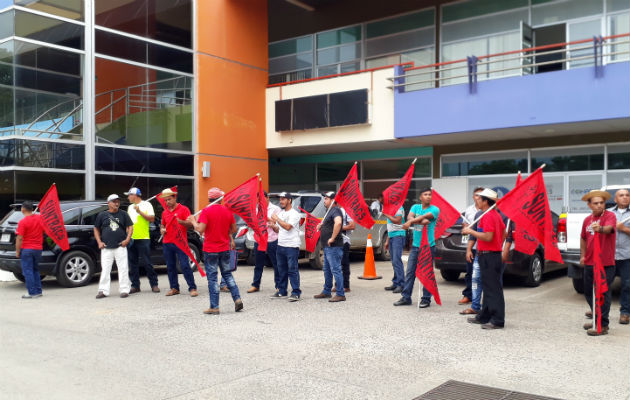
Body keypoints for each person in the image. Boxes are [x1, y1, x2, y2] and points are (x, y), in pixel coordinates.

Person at [189, 187, 242, 315]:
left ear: (209, 199)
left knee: (212, 278)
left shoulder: (206, 211)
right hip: (224, 248)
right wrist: (223, 232)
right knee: (227, 275)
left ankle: (215, 306)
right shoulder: (227, 211)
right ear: (220, 199)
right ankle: (237, 299)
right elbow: (234, 229)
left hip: (210, 249)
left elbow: (200, 229)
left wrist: (193, 221)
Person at [462, 188, 506, 329]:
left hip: (489, 255)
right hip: (488, 254)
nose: (477, 201)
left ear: (486, 201)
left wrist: (470, 231)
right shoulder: (494, 214)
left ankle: (498, 320)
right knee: (488, 289)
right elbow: (504, 233)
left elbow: (488, 236)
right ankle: (484, 316)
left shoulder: (488, 216)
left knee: (493, 290)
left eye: (479, 199)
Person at [394, 188, 440, 308]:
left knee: (426, 273)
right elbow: (410, 217)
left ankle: (426, 299)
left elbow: (425, 217)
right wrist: (417, 221)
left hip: (428, 246)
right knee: (410, 272)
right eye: (425, 194)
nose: (428, 196)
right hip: (415, 246)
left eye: (430, 195)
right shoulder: (415, 207)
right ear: (420, 197)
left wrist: (411, 222)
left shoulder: (435, 209)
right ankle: (406, 297)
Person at [580, 189, 617, 336]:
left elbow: (609, 229)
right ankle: (596, 318)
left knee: (602, 293)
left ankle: (603, 325)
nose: (599, 206)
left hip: (605, 263)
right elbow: (583, 238)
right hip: (589, 262)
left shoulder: (610, 216)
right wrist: (583, 255)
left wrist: (600, 228)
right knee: (589, 292)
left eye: (602, 203)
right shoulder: (587, 220)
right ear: (589, 205)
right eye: (595, 203)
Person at [159, 188, 198, 297]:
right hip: (167, 242)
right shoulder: (165, 212)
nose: (167, 202)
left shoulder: (184, 209)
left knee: (185, 265)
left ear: (175, 198)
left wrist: (180, 222)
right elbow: (163, 225)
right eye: (165, 200)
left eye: (169, 199)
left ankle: (192, 288)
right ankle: (174, 288)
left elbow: (191, 225)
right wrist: (162, 229)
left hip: (180, 242)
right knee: (170, 266)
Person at [94, 194, 133, 299]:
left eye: (118, 201)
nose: (116, 203)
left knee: (123, 268)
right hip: (106, 247)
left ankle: (124, 290)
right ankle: (103, 291)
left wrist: (127, 240)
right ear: (108, 203)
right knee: (105, 269)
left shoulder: (124, 214)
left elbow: (130, 227)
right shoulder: (102, 215)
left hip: (120, 246)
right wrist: (99, 242)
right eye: (114, 201)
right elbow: (96, 228)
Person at [125, 187, 159, 294]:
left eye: (129, 195)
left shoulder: (147, 205)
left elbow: (152, 219)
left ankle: (154, 284)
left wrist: (140, 211)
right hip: (132, 238)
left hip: (143, 238)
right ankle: (135, 285)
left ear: (135, 195)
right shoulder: (130, 207)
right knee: (132, 263)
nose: (128, 197)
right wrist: (127, 235)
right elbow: (128, 223)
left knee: (147, 262)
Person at [314, 192, 346, 302]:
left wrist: (332, 238)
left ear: (333, 200)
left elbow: (338, 223)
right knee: (327, 269)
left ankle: (340, 294)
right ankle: (326, 291)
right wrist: (321, 225)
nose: (324, 200)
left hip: (334, 246)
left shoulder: (336, 210)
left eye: (326, 198)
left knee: (335, 269)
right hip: (327, 247)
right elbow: (331, 224)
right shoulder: (329, 211)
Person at [247, 191, 281, 293]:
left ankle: (279, 286)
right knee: (258, 263)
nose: (260, 201)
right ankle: (255, 285)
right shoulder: (256, 209)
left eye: (262, 199)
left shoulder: (276, 209)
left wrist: (266, 217)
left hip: (272, 239)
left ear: (267, 198)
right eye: (258, 199)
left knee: (276, 263)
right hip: (260, 239)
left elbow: (277, 223)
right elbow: (253, 223)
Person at [270, 192, 301, 301]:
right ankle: (282, 291)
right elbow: (279, 229)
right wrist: (273, 226)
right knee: (281, 269)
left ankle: (296, 292)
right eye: (280, 199)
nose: (281, 201)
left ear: (289, 200)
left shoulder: (294, 214)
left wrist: (277, 219)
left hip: (291, 245)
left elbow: (288, 227)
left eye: (283, 199)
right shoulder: (281, 213)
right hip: (281, 244)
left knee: (292, 270)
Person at [459, 187, 483, 305]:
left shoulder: (487, 211)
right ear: (473, 197)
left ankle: (481, 298)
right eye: (476, 195)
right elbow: (464, 227)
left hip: (485, 247)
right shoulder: (469, 210)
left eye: (480, 195)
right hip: (472, 246)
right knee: (470, 272)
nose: (478, 197)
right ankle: (468, 295)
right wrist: (465, 228)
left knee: (483, 274)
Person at [15, 201, 44, 299]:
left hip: (27, 249)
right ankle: (38, 290)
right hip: (38, 249)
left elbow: (19, 238)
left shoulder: (22, 222)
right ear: (32, 209)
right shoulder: (40, 218)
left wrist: (17, 251)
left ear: (23, 209)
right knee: (35, 270)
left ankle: (32, 292)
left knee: (28, 271)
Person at [611, 189, 630, 325]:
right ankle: (599, 310)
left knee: (627, 285)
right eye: (621, 195)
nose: (624, 197)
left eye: (627, 195)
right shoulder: (608, 213)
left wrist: (623, 229)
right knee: (604, 284)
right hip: (609, 255)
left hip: (627, 256)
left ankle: (625, 313)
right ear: (615, 199)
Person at [383, 205, 405, 293]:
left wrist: (387, 214)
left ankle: (401, 284)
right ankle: (396, 282)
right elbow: (390, 227)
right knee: (394, 261)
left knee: (396, 260)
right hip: (392, 236)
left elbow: (398, 221)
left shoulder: (399, 207)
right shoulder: (391, 208)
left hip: (398, 236)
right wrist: (387, 240)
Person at [339, 207, 355, 292]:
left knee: (344, 263)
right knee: (336, 265)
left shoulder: (347, 211)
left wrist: (338, 227)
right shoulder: (332, 210)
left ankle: (346, 285)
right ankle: (338, 284)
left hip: (344, 240)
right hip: (335, 241)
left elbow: (352, 226)